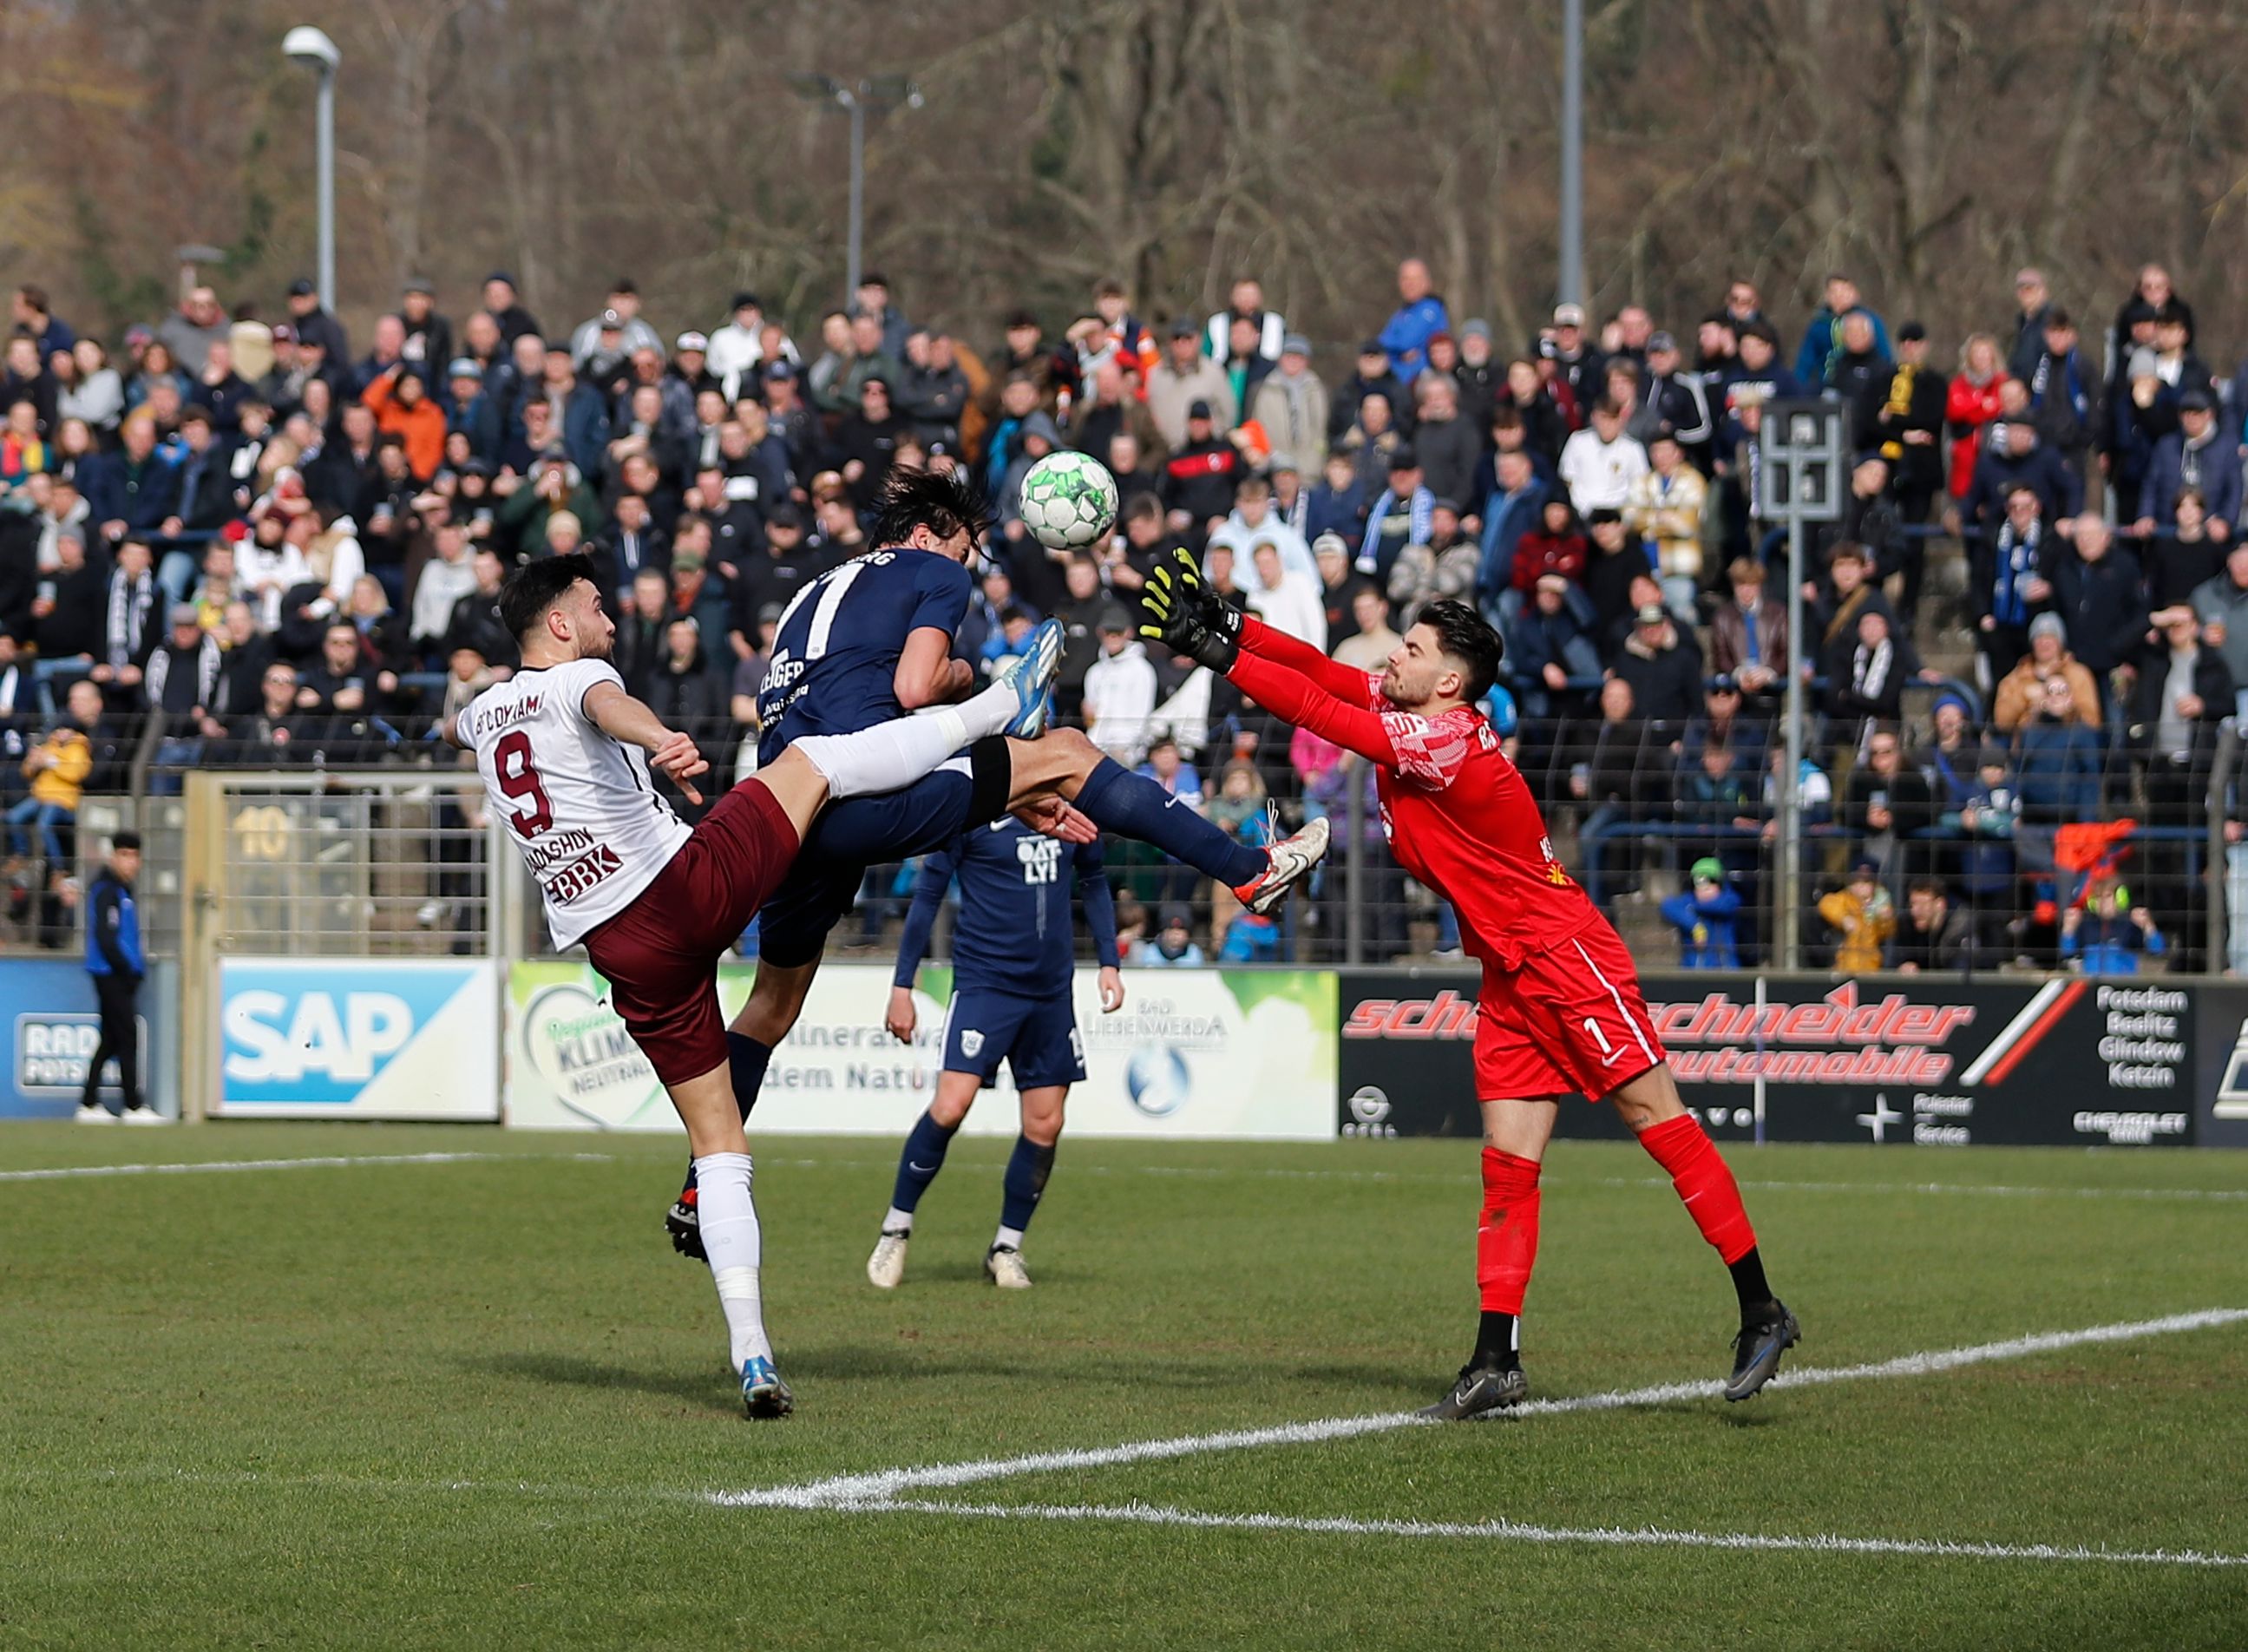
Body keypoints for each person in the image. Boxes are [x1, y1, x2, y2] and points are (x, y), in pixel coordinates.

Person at [1138, 558, 1796, 1415]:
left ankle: (1760, 1307)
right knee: (1506, 1165)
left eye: (1408, 648)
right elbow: (1322, 673)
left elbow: (1322, 713)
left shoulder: (1444, 740)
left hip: (1563, 952)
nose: (1390, 658)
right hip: (1507, 969)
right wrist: (1234, 627)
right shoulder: (1411, 706)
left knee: (1653, 1117)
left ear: (1448, 678)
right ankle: (1494, 1360)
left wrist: (1221, 660)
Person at [449, 549, 1066, 1419]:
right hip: (678, 888)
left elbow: (471, 727)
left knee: (720, 1148)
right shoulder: (577, 678)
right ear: (558, 624)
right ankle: (1004, 705)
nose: (609, 620)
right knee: (815, 761)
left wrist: (475, 711)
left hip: (619, 954)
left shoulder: (483, 714)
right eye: (594, 606)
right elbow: (602, 701)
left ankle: (752, 1354)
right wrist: (656, 734)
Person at [677, 471, 1327, 1255]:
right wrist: (963, 679)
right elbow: (914, 687)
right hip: (861, 796)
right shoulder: (933, 573)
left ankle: (696, 1185)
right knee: (1070, 751)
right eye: (967, 545)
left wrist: (999, 788)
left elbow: (828, 706)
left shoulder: (813, 592)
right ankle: (1249, 870)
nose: (973, 564)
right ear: (926, 536)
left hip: (785, 810)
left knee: (769, 1010)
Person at [872, 818, 1124, 1291]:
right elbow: (929, 894)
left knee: (1045, 1123)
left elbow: (1093, 881)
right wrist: (902, 986)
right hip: (985, 983)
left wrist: (1109, 961)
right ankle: (896, 1229)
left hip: (1050, 992)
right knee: (951, 1105)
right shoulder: (973, 811)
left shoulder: (1073, 810)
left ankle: (1006, 1248)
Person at [81, 832, 157, 1123]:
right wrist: (126, 968)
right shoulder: (107, 890)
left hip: (119, 973)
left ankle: (88, 1103)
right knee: (127, 1036)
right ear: (113, 856)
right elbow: (106, 937)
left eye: (134, 855)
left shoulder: (124, 890)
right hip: (110, 973)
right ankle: (132, 1105)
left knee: (112, 1038)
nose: (130, 862)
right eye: (124, 855)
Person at [1660, 858, 1742, 969]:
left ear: (1721, 884)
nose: (1705, 888)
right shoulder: (1687, 901)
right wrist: (1695, 926)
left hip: (1726, 970)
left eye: (1712, 881)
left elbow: (1725, 906)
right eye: (1698, 882)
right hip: (1695, 971)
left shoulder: (1729, 900)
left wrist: (1694, 907)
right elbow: (1667, 906)